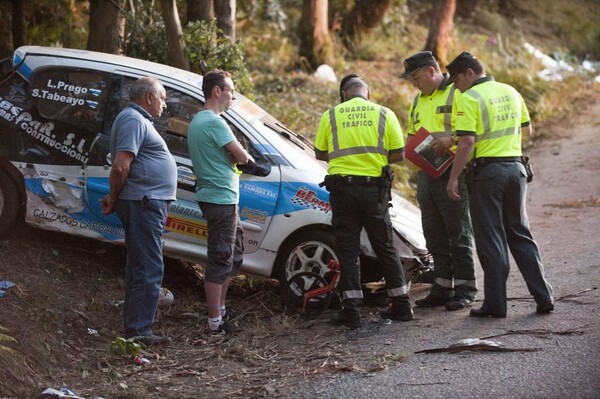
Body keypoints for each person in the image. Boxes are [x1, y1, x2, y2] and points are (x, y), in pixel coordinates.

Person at [445, 51, 554, 318]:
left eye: (457, 80)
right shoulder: (511, 91)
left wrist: (454, 177)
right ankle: (544, 297)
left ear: (469, 73)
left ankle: (495, 305)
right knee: (519, 233)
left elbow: (468, 141)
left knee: (491, 237)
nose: (457, 87)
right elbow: (526, 128)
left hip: (488, 174)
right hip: (516, 169)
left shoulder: (470, 97)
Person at [314, 74, 414, 328]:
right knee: (385, 247)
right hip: (374, 191)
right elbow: (399, 154)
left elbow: (319, 152)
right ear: (367, 93)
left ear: (345, 95)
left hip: (343, 191)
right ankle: (402, 305)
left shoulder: (332, 115)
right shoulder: (384, 114)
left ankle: (352, 311)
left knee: (348, 250)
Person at [100, 77, 177, 345]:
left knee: (141, 264)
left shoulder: (137, 119)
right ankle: (139, 331)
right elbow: (121, 166)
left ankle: (136, 327)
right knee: (148, 266)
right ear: (148, 97)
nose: (164, 105)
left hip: (144, 202)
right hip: (143, 202)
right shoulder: (133, 119)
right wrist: (113, 195)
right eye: (163, 98)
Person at [400, 51, 477, 311]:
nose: (414, 83)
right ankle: (443, 287)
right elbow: (413, 134)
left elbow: (472, 130)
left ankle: (466, 288)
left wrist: (452, 140)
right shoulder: (417, 101)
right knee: (433, 232)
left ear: (431, 71)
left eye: (415, 77)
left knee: (458, 231)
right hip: (427, 173)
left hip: (454, 171)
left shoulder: (458, 92)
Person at [187, 70, 251, 334]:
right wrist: (238, 154)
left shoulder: (199, 121)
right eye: (231, 91)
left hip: (220, 197)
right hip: (219, 197)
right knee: (220, 256)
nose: (233, 96)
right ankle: (215, 320)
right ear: (217, 91)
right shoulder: (214, 122)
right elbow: (243, 157)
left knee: (231, 253)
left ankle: (221, 310)